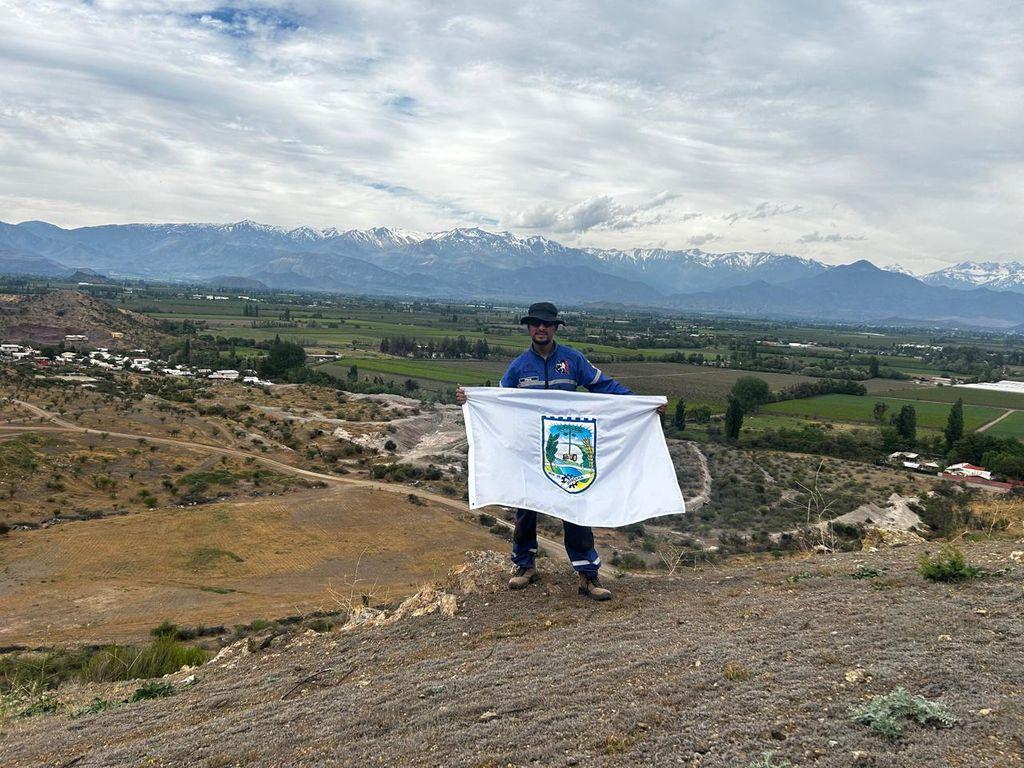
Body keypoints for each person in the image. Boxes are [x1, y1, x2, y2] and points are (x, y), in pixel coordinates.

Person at [456, 301, 664, 601]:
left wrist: (640, 404)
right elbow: (499, 402)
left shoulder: (572, 360)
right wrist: (470, 399)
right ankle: (524, 566)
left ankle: (587, 576)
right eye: (535, 323)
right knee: (525, 506)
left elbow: (603, 386)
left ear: (555, 328)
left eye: (547, 324)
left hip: (569, 450)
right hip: (530, 451)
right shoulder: (518, 368)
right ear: (529, 328)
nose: (541, 328)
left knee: (576, 505)